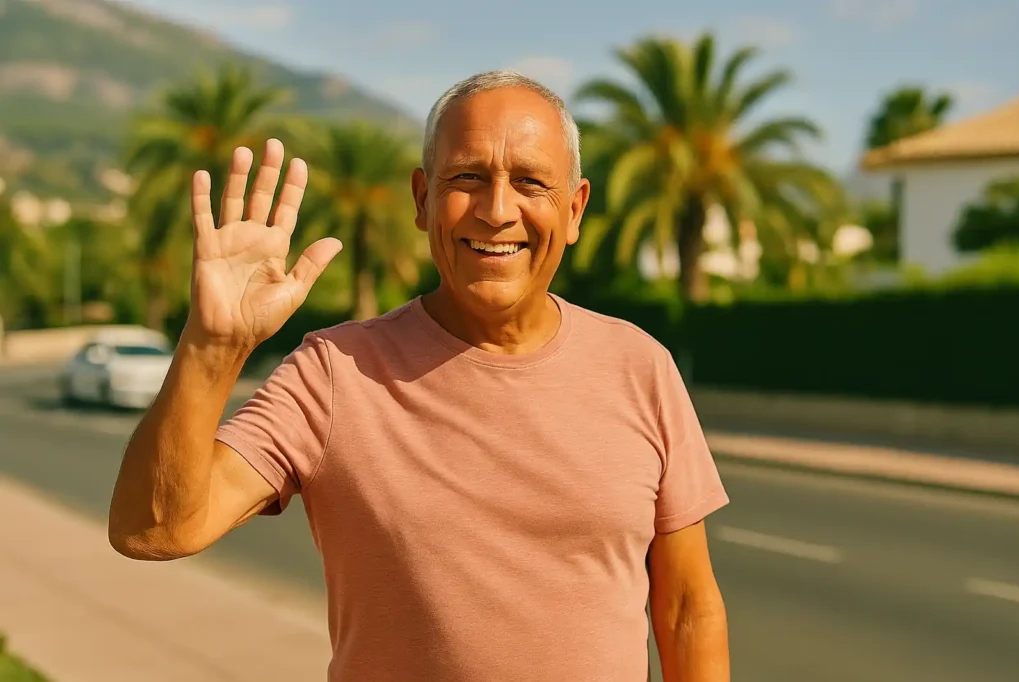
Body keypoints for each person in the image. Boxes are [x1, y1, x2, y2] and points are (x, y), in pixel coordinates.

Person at [108, 70, 730, 682]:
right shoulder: (334, 374)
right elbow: (153, 529)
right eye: (467, 177)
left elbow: (685, 613)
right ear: (422, 199)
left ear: (573, 210)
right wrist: (211, 348)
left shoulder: (640, 366)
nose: (496, 210)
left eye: (530, 183)